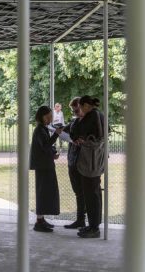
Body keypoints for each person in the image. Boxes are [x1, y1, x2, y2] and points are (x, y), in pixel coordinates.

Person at [75, 95, 106, 239]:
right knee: (95, 194)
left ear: (86, 105)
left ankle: (94, 228)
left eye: (80, 107)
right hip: (97, 161)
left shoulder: (91, 116)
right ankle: (94, 225)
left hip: (90, 163)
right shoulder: (100, 115)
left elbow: (76, 130)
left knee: (91, 195)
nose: (79, 110)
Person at [30, 105, 62, 232]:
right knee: (43, 192)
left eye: (50, 116)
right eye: (47, 116)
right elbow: (45, 146)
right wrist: (56, 134)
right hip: (43, 166)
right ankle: (39, 221)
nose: (49, 118)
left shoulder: (43, 129)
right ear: (41, 117)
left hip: (45, 164)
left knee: (46, 192)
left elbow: (45, 147)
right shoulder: (39, 130)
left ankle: (41, 219)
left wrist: (52, 154)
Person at [61, 97, 86, 229]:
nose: (75, 113)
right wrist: (71, 139)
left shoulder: (89, 122)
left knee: (84, 192)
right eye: (73, 111)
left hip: (84, 163)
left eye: (76, 110)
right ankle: (80, 219)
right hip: (73, 161)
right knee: (78, 192)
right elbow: (62, 132)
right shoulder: (74, 122)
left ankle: (84, 220)